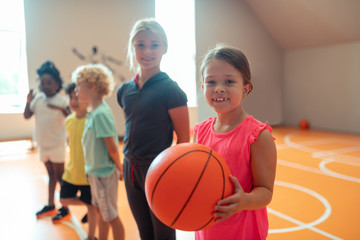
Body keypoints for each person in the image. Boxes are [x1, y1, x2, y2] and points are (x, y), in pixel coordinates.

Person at [194, 45, 277, 240]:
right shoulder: (199, 132)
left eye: (229, 81)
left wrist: (245, 200)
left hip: (242, 232)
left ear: (245, 88)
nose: (219, 88)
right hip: (206, 229)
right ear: (202, 87)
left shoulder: (258, 136)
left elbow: (266, 191)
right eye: (211, 82)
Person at [117, 18, 189, 240]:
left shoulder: (171, 90)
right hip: (130, 168)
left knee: (164, 233)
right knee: (145, 232)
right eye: (140, 44)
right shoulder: (124, 91)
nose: (147, 50)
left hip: (157, 169)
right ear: (133, 47)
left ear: (164, 47)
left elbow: (184, 140)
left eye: (154, 44)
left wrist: (170, 173)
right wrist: (124, 164)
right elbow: (130, 127)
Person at [73, 63, 124, 240]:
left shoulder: (101, 113)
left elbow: (112, 146)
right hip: (95, 174)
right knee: (100, 212)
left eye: (79, 85)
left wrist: (120, 167)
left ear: (92, 86)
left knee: (111, 216)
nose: (76, 89)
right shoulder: (93, 113)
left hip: (104, 174)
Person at [24, 61, 70, 218]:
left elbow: (70, 117)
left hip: (57, 145)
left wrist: (60, 108)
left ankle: (65, 206)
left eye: (49, 82)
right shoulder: (38, 100)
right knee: (51, 175)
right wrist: (28, 101)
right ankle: (50, 204)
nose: (45, 86)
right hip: (43, 145)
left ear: (57, 84)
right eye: (43, 83)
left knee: (60, 176)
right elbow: (27, 115)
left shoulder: (62, 101)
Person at [51, 82, 97, 240]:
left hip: (88, 175)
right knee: (63, 199)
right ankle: (89, 205)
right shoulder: (69, 121)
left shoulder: (92, 120)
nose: (74, 101)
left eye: (77, 97)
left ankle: (91, 237)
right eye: (71, 97)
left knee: (92, 209)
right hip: (71, 172)